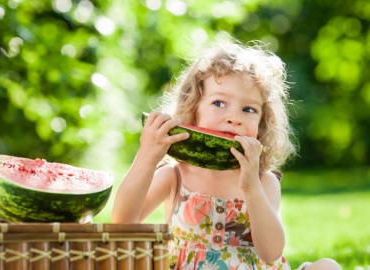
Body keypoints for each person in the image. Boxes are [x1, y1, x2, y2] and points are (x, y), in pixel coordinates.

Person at [111, 37, 341, 269]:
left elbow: (271, 252)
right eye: (219, 103)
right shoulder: (176, 176)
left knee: (327, 266)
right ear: (194, 109)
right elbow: (123, 223)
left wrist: (252, 188)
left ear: (262, 124)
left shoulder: (264, 181)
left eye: (248, 109)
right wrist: (146, 158)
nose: (234, 118)